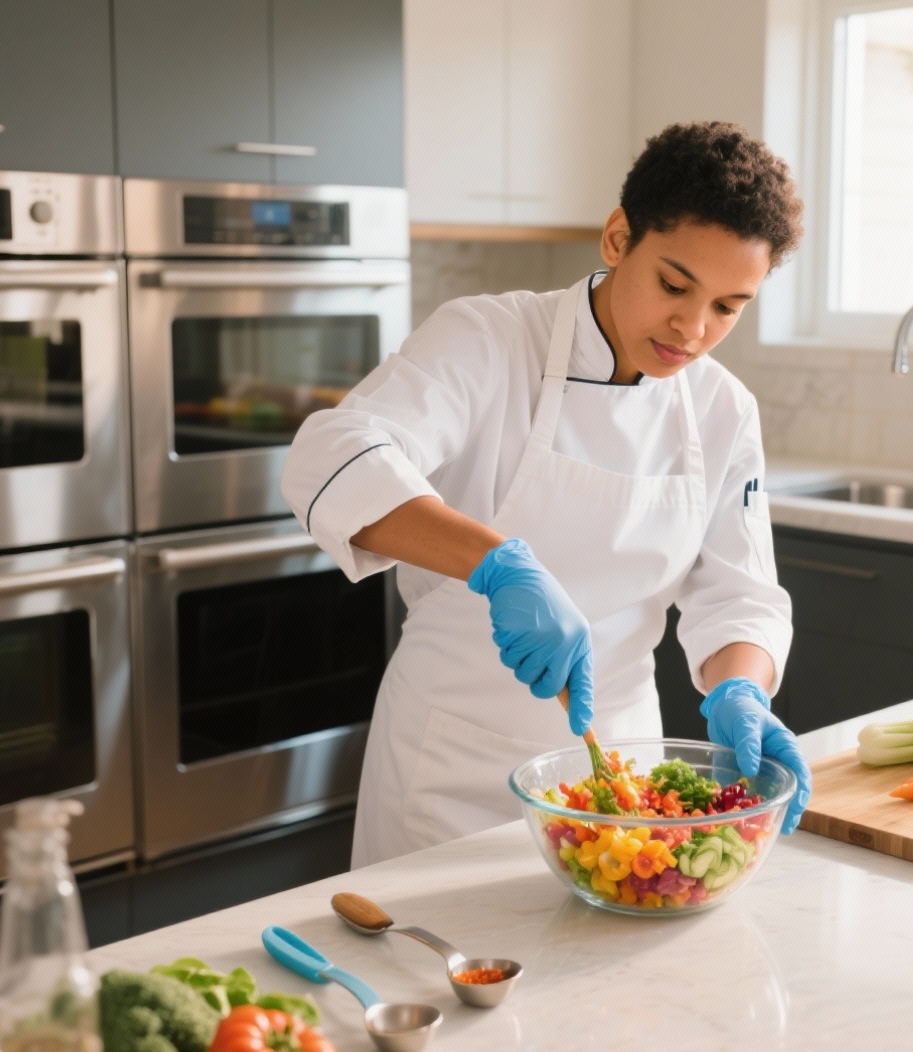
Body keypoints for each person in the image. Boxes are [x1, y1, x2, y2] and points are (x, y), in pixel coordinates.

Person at [282, 120, 811, 866]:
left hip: (618, 783)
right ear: (617, 238)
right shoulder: (489, 340)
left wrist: (742, 692)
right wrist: (496, 564)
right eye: (673, 285)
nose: (693, 329)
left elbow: (740, 595)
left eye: (728, 306)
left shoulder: (724, 411)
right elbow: (331, 454)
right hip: (447, 772)